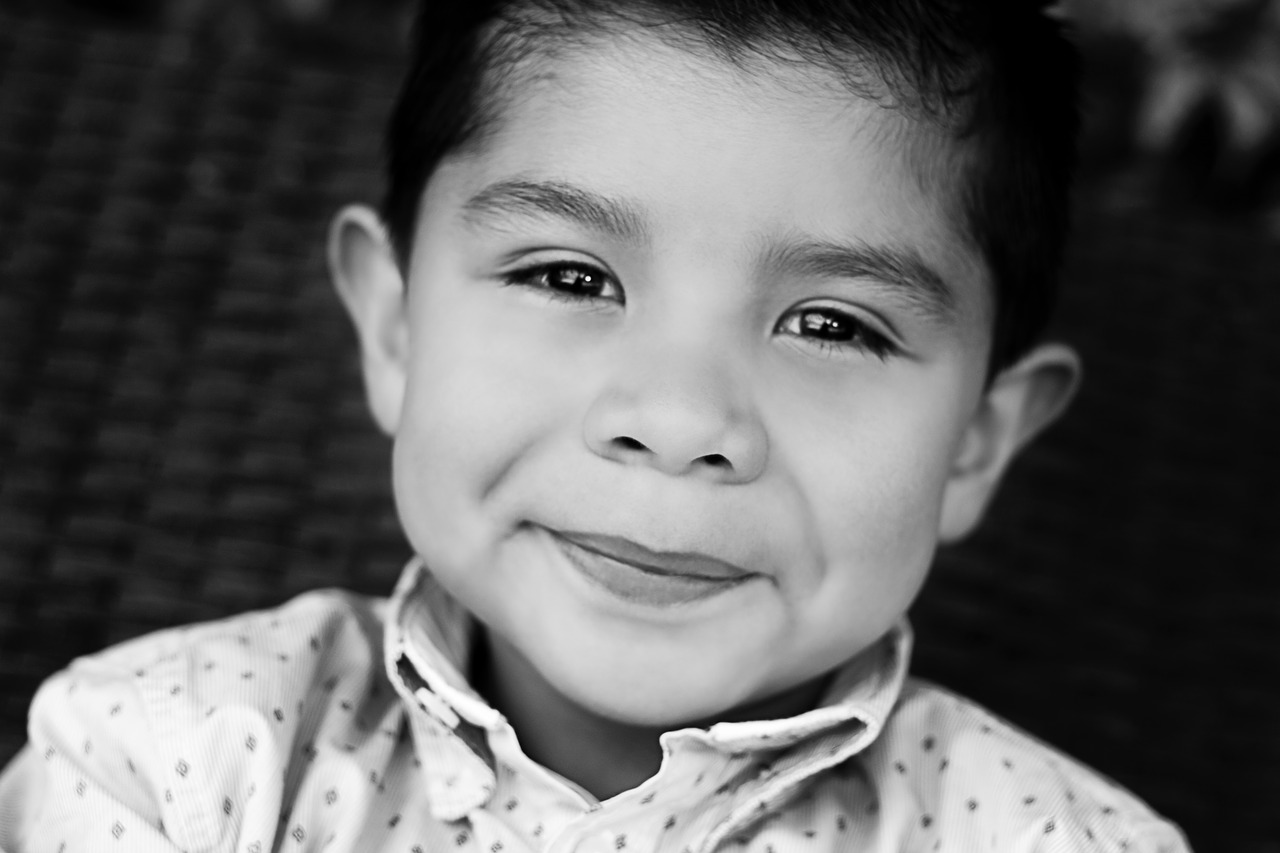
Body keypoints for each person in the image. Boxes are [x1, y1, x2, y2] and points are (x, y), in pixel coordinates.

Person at [0, 1, 1193, 851]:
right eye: (570, 279)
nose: (676, 422)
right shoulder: (163, 762)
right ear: (395, 329)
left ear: (977, 442)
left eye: (831, 325)